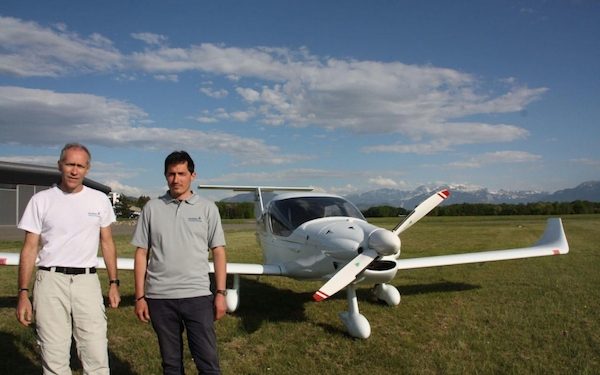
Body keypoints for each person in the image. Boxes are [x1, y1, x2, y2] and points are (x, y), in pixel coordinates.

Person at [16, 143, 121, 374]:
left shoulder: (99, 200)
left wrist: (114, 283)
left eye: (80, 166)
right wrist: (23, 293)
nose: (74, 170)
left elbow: (107, 243)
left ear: (87, 169)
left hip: (87, 282)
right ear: (60, 165)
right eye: (70, 164)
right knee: (53, 353)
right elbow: (30, 248)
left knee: (95, 350)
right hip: (50, 281)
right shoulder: (41, 200)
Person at [132, 150, 227, 375]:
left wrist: (220, 293)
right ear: (165, 175)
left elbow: (219, 251)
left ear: (193, 175)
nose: (176, 179)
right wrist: (139, 296)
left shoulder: (207, 208)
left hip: (197, 297)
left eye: (182, 173)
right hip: (160, 298)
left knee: (208, 363)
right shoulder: (151, 209)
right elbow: (141, 253)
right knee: (171, 365)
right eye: (171, 174)